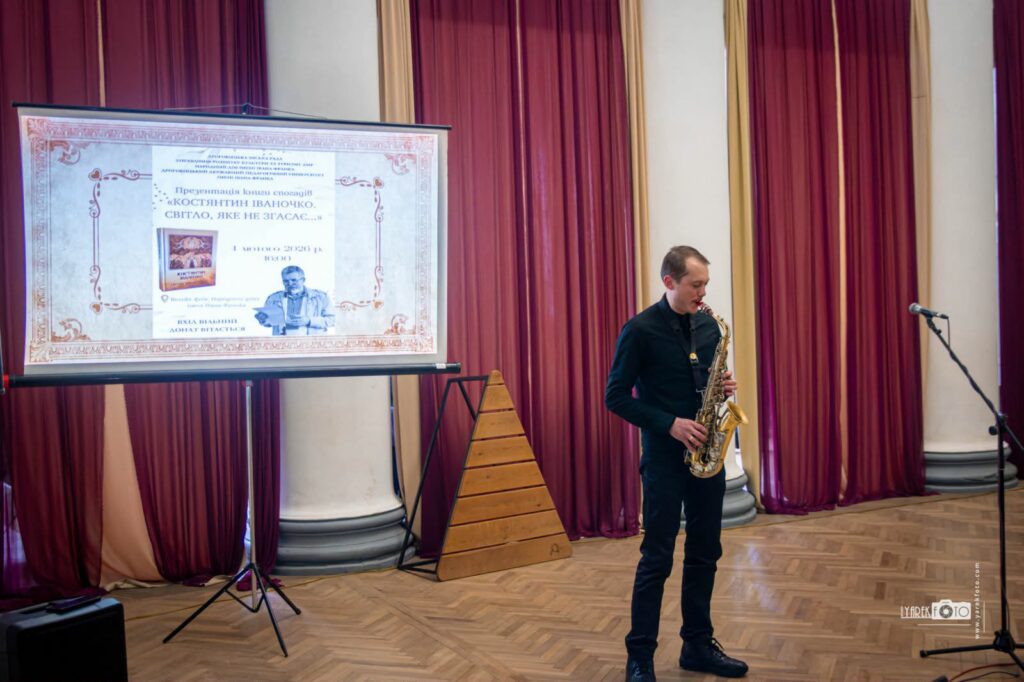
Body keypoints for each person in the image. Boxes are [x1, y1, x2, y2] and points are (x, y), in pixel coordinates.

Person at [605, 245, 748, 681]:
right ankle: (640, 657)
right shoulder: (639, 330)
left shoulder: (710, 327)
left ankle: (697, 645)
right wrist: (669, 424)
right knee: (657, 558)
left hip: (706, 457)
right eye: (695, 285)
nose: (703, 293)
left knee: (705, 553)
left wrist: (721, 386)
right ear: (669, 281)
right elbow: (615, 397)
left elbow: (705, 381)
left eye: (705, 284)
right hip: (665, 459)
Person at [255, 265, 335, 336]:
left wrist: (309, 321)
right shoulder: (273, 298)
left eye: (294, 280)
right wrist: (263, 319)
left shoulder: (320, 297)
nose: (290, 284)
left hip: (311, 344)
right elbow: (268, 324)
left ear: (303, 280)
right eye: (286, 281)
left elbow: (333, 320)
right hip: (282, 344)